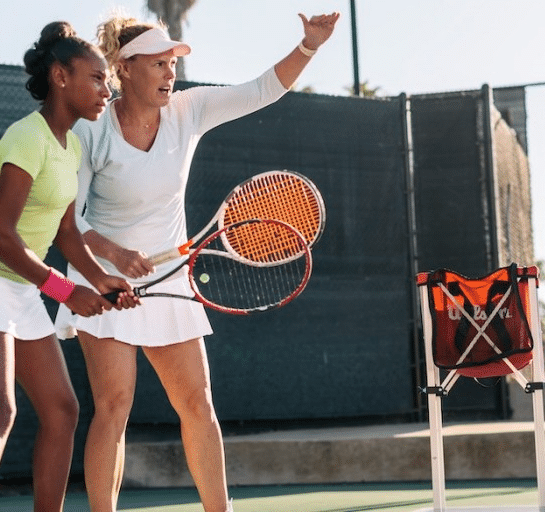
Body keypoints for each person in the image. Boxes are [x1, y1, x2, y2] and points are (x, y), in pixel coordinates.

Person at [53, 11, 340, 512]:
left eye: (173, 64)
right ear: (125, 68)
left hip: (170, 282)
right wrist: (117, 256)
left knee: (197, 403)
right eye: (159, 64)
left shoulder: (190, 109)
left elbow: (262, 90)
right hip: (102, 278)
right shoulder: (91, 132)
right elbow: (70, 223)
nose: (171, 73)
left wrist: (309, 46)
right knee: (114, 407)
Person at [0, 21, 137, 512]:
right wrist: (65, 292)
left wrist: (101, 279)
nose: (106, 90)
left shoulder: (70, 147)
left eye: (107, 81)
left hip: (21, 286)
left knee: (62, 410)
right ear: (60, 77)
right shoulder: (26, 138)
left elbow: (66, 231)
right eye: (96, 78)